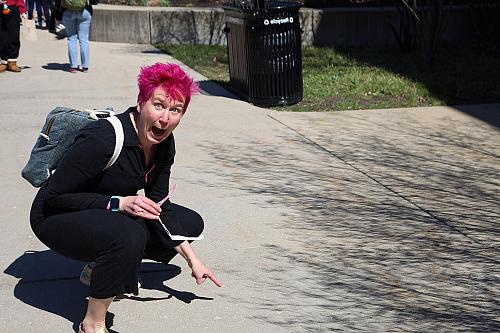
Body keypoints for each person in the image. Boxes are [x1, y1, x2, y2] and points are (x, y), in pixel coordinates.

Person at [30, 63, 221, 333]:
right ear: (141, 102)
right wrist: (118, 203)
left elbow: (159, 207)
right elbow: (56, 196)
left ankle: (101, 268)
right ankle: (93, 323)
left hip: (102, 212)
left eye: (175, 110)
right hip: (54, 214)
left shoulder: (164, 143)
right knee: (127, 235)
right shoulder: (105, 138)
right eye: (158, 105)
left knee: (189, 223)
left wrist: (193, 260)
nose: (165, 118)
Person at [61, 0, 92, 72]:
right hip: (84, 11)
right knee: (84, 39)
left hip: (68, 11)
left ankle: (73, 66)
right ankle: (85, 66)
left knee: (71, 39)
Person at [0, 0, 26, 72]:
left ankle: (12, 61)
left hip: (13, 9)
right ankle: (4, 62)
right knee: (2, 38)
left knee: (14, 36)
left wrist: (22, 11)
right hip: (0, 9)